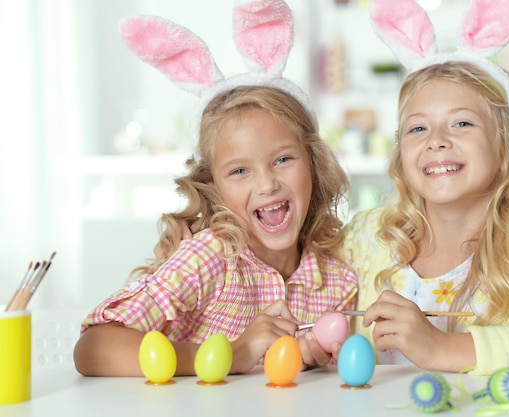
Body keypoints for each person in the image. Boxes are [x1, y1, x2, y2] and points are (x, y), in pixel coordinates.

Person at [73, 4, 357, 377]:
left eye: (283, 159)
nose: (267, 183)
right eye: (239, 170)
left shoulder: (337, 280)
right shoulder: (209, 258)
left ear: (314, 162)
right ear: (214, 188)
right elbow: (94, 349)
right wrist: (227, 355)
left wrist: (309, 362)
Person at [340, 0, 509, 375]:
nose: (436, 140)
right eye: (418, 128)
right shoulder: (365, 238)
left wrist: (441, 348)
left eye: (462, 124)